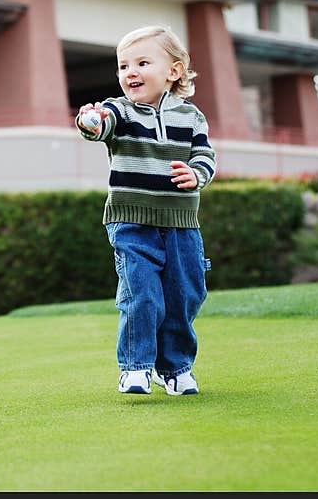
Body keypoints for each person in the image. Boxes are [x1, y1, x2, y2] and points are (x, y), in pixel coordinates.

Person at [76, 25, 216, 396]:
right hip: (131, 221)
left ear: (174, 70)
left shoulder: (192, 116)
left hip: (181, 224)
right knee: (142, 294)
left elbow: (205, 154)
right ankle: (135, 367)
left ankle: (176, 369)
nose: (130, 73)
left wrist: (197, 173)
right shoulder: (118, 111)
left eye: (142, 63)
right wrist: (90, 120)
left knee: (184, 293)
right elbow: (98, 127)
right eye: (123, 66)